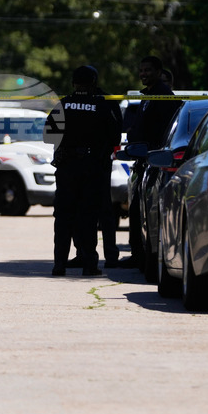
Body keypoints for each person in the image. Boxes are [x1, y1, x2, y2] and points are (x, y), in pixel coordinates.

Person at [44, 66, 122, 277]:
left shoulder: (63, 104)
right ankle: (89, 265)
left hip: (67, 168)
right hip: (92, 168)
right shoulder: (102, 104)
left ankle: (59, 264)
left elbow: (48, 135)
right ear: (94, 82)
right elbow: (115, 137)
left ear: (73, 83)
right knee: (88, 217)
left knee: (63, 218)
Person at [122, 56, 179, 269]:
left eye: (147, 70)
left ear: (158, 71)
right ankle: (138, 255)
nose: (143, 74)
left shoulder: (163, 96)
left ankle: (147, 257)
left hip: (155, 162)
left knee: (147, 212)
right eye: (141, 70)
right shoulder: (149, 95)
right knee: (137, 211)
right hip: (142, 161)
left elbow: (161, 131)